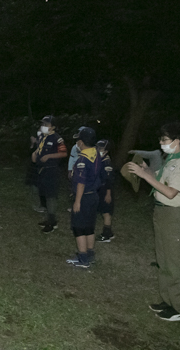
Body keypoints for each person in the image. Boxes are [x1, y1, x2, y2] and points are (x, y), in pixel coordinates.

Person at [127, 122, 180, 322]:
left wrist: (143, 176)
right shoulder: (172, 158)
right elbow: (160, 180)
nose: (161, 143)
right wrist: (147, 171)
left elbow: (170, 191)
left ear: (177, 140)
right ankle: (168, 301)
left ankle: (179, 309)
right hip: (162, 212)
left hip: (174, 215)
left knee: (174, 263)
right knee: (163, 260)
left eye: (164, 139)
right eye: (161, 139)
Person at [65, 127, 103, 268]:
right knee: (89, 226)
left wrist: (77, 201)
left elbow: (81, 182)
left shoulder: (83, 159)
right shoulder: (97, 154)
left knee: (79, 227)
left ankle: (82, 258)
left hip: (84, 197)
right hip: (94, 195)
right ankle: (90, 253)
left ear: (81, 142)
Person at [32, 115, 67, 233]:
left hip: (52, 170)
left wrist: (49, 156)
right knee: (44, 194)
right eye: (43, 124)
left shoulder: (57, 139)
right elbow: (39, 150)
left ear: (53, 127)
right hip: (42, 170)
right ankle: (49, 219)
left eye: (46, 124)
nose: (44, 126)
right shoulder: (42, 137)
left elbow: (63, 153)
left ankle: (52, 222)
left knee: (51, 196)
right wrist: (35, 153)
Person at [96, 139, 116, 242]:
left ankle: (107, 234)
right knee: (102, 210)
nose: (98, 149)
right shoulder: (100, 160)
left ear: (106, 151)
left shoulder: (106, 162)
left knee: (106, 212)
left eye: (101, 148)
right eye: (98, 147)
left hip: (105, 189)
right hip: (100, 188)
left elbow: (109, 180)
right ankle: (109, 233)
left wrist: (108, 194)